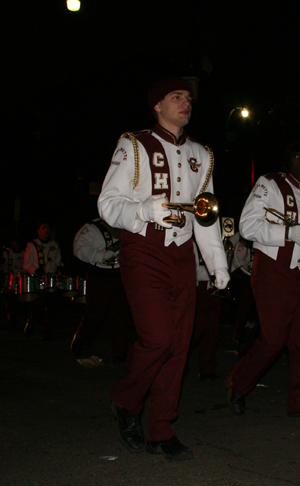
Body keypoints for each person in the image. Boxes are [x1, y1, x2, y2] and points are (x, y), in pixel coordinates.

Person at [98, 76, 229, 461]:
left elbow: (205, 215)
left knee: (178, 345)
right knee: (158, 338)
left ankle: (161, 428)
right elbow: (107, 204)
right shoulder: (134, 144)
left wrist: (217, 263)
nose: (186, 103)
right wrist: (142, 209)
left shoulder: (201, 154)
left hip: (182, 255)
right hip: (144, 248)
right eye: (176, 97)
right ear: (157, 105)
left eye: (188, 97)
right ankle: (126, 400)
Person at [227, 142, 300, 420]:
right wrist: (287, 233)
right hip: (273, 268)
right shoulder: (269, 183)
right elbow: (247, 226)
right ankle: (238, 383)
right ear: (287, 159)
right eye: (296, 156)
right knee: (273, 339)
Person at [70, 217, 132, 362]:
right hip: (99, 276)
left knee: (120, 315)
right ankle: (80, 341)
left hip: (120, 275)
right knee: (95, 313)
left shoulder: (127, 225)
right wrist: (102, 255)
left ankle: (119, 353)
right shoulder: (91, 228)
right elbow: (79, 248)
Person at [22, 221, 62, 340]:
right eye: (43, 228)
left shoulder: (55, 245)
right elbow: (26, 265)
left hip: (51, 280)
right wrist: (36, 271)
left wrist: (59, 268)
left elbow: (58, 261)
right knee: (37, 307)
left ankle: (46, 332)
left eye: (48, 228)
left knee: (50, 308)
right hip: (38, 280)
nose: (46, 230)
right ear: (38, 231)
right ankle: (30, 327)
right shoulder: (32, 245)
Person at [190, 245, 222, 380]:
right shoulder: (191, 242)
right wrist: (220, 270)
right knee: (197, 329)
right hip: (197, 289)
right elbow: (194, 271)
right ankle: (177, 360)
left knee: (212, 330)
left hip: (213, 289)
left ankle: (207, 368)